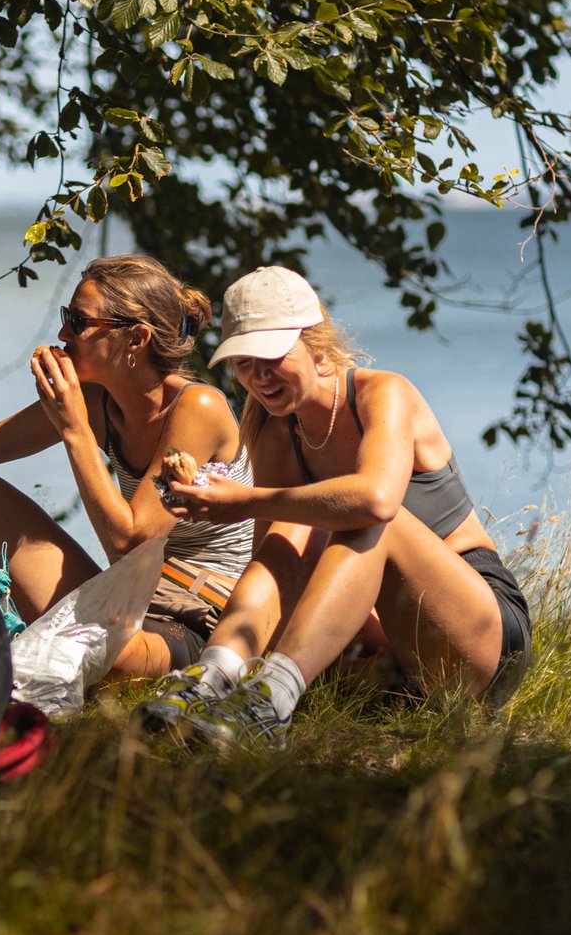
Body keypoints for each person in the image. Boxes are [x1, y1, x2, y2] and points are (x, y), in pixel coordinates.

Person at [143, 265, 532, 743]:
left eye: (271, 355)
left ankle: (267, 704)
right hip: (386, 655)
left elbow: (375, 501)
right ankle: (212, 680)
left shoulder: (382, 394)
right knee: (285, 541)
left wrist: (241, 501)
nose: (258, 375)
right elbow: (274, 568)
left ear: (317, 345)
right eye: (243, 362)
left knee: (371, 517)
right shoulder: (275, 432)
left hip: (476, 633)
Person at [0, 253, 254, 679]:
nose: (62, 333)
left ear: (136, 338)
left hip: (194, 618)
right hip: (127, 596)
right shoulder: (97, 401)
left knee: (102, 657)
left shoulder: (196, 406)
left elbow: (129, 542)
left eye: (79, 321)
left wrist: (74, 426)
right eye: (66, 316)